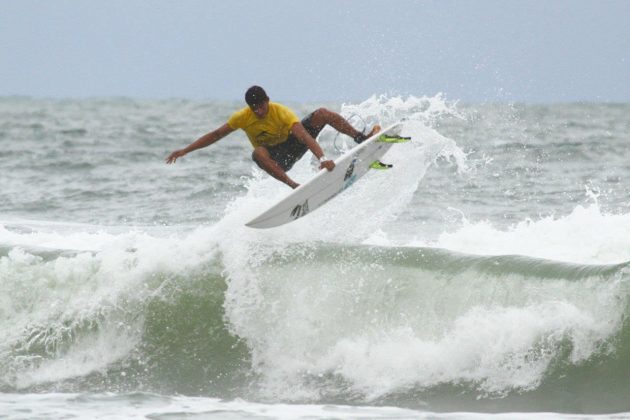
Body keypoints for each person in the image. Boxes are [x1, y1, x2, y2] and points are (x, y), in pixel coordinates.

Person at [166, 86, 380, 189]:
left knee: (322, 113)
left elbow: (304, 136)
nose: (258, 111)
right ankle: (294, 186)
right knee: (257, 152)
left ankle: (360, 137)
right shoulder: (242, 118)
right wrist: (185, 150)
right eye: (254, 108)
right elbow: (215, 135)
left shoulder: (281, 113)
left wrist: (322, 159)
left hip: (294, 145)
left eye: (261, 105)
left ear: (267, 100)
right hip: (277, 160)